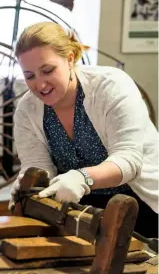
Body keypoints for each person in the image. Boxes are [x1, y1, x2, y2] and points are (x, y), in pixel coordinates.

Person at [9, 21, 158, 238]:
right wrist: (28, 183)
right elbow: (38, 165)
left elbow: (129, 160)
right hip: (80, 211)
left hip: (140, 203)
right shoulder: (27, 110)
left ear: (69, 59)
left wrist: (83, 178)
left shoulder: (111, 86)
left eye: (47, 70)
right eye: (30, 76)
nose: (40, 85)